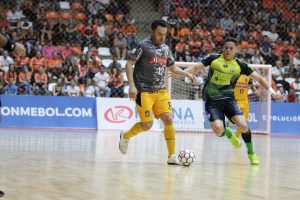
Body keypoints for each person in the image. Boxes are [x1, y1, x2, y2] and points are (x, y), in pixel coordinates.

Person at [185, 37, 279, 165]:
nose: (228, 50)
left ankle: (251, 153)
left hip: (229, 100)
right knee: (218, 131)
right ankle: (227, 132)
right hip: (212, 102)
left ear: (236, 50)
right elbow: (196, 68)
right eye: (226, 48)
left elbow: (259, 78)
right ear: (223, 49)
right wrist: (181, 72)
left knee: (244, 125)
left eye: (231, 48)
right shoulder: (213, 58)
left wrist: (272, 92)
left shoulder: (240, 65)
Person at [119, 20, 195, 165]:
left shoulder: (166, 49)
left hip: (160, 91)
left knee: (168, 119)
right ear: (152, 32)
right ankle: (126, 136)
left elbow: (172, 68)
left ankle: (172, 156)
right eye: (159, 34)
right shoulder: (142, 46)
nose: (162, 37)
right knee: (147, 125)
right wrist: (132, 86)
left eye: (165, 34)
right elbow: (129, 64)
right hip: (144, 91)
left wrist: (187, 74)